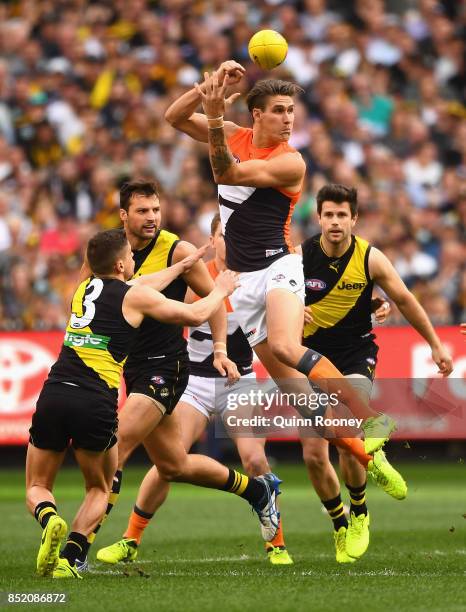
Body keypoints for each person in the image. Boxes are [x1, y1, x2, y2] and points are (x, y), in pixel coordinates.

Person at [96, 214, 408, 569]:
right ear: (213, 240)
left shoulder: (263, 279)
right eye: (222, 235)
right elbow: (159, 304)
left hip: (240, 382)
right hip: (194, 382)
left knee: (258, 459)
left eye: (234, 234)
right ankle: (130, 539)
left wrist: (369, 306)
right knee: (169, 463)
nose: (229, 241)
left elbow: (322, 297)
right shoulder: (199, 275)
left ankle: (281, 540)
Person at [165, 63, 399, 467]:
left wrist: (217, 115)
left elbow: (226, 171)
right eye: (279, 110)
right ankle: (368, 458)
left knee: (287, 347)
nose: (288, 118)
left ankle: (373, 420)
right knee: (298, 395)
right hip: (242, 279)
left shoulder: (292, 161)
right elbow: (174, 117)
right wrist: (210, 87)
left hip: (279, 264)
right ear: (257, 114)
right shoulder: (235, 134)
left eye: (291, 110)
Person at [27, 227, 272, 579]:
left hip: (58, 390)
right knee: (139, 473)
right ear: (123, 263)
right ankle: (71, 555)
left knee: (39, 485)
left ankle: (56, 530)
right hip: (97, 398)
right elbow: (190, 314)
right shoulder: (133, 294)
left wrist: (182, 265)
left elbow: (139, 286)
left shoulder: (81, 290)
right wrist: (220, 289)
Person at [76, 181, 281, 571]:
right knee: (172, 465)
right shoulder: (105, 251)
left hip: (165, 366)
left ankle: (78, 547)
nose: (152, 216)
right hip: (131, 368)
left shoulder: (178, 250)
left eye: (156, 209)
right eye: (142, 211)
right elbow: (86, 297)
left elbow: (215, 301)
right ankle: (257, 491)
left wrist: (220, 350)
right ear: (124, 216)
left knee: (113, 448)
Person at [297, 183, 453, 563]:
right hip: (310, 357)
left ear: (354, 219)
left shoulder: (370, 257)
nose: (335, 222)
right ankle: (340, 523)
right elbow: (273, 300)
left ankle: (361, 512)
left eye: (341, 215)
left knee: (346, 418)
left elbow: (404, 298)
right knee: (315, 456)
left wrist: (434, 343)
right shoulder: (299, 258)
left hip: (354, 355)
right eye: (328, 214)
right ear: (319, 218)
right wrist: (291, 310)